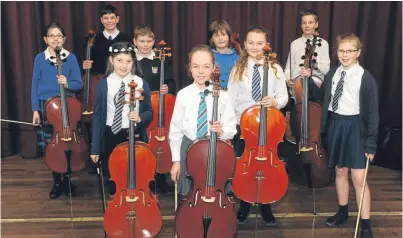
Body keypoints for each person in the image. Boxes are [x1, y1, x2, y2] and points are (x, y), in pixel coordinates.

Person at [313, 33, 378, 238]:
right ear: (336, 52)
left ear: (358, 53)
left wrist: (371, 144)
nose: (345, 54)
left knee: (359, 178)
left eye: (350, 50)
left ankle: (365, 224)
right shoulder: (332, 74)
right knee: (340, 172)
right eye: (341, 50)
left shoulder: (366, 78)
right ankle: (342, 212)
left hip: (356, 128)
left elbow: (373, 114)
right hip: (336, 126)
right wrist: (307, 80)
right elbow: (322, 98)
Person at [227, 26, 288, 227]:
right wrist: (237, 123)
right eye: (251, 43)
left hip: (269, 128)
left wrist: (275, 103)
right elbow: (231, 100)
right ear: (245, 45)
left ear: (266, 44)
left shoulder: (275, 69)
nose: (255, 47)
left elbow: (284, 97)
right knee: (245, 168)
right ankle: (244, 202)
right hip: (244, 128)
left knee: (266, 168)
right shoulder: (238, 69)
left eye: (259, 43)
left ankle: (266, 203)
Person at [169, 45, 237, 198]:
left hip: (214, 151)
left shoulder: (223, 96)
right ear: (190, 69)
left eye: (206, 67)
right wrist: (176, 161)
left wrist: (222, 131)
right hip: (188, 149)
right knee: (189, 196)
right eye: (196, 66)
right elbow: (175, 131)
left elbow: (232, 127)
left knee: (215, 193)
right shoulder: (182, 95)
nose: (201, 71)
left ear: (213, 68)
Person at [90, 42, 153, 195]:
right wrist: (95, 148)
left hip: (133, 135)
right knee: (114, 178)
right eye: (119, 61)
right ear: (111, 60)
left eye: (128, 61)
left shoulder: (140, 83)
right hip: (110, 134)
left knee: (136, 177)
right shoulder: (103, 84)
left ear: (134, 62)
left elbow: (149, 112)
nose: (124, 66)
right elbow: (98, 117)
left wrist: (139, 118)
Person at [31, 22, 83, 199]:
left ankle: (68, 180)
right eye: (52, 36)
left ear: (64, 39)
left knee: (69, 143)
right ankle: (57, 182)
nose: (55, 39)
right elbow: (34, 86)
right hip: (48, 108)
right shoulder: (40, 58)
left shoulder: (71, 58)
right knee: (52, 146)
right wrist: (35, 109)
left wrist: (67, 83)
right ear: (46, 39)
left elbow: (78, 84)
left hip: (68, 106)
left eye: (59, 36)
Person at [133, 25, 176, 194]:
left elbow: (171, 81)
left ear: (154, 41)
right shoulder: (131, 61)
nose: (145, 44)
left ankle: (161, 177)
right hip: (139, 108)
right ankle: (146, 177)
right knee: (143, 142)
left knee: (161, 142)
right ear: (135, 42)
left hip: (159, 110)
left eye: (149, 41)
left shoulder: (161, 59)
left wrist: (168, 87)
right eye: (142, 41)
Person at [284, 9, 330, 102]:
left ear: (316, 24)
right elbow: (288, 69)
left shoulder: (323, 44)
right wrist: (289, 79)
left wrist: (315, 65)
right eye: (304, 23)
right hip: (298, 90)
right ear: (301, 25)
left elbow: (326, 70)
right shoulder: (294, 44)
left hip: (316, 89)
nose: (307, 25)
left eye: (310, 22)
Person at [82, 4, 132, 75]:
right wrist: (85, 66)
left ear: (117, 19)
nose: (109, 21)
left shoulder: (127, 40)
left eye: (112, 18)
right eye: (106, 18)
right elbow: (86, 64)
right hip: (99, 80)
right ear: (101, 20)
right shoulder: (92, 40)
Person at [207, 20, 239, 90]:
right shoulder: (207, 56)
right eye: (216, 35)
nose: (220, 38)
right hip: (212, 94)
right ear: (212, 39)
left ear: (229, 36)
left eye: (223, 35)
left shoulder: (237, 56)